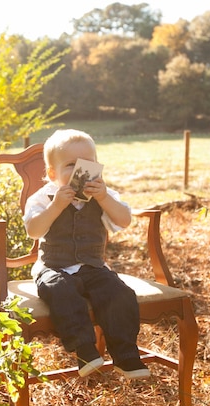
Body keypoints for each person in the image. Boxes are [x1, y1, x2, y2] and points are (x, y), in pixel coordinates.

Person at [23, 129, 150, 379]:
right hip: (54, 267)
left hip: (92, 267)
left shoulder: (102, 194)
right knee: (62, 291)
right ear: (52, 173)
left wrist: (103, 198)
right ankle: (85, 351)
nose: (81, 170)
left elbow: (124, 220)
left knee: (119, 293)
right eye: (71, 165)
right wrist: (56, 206)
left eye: (88, 164)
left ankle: (125, 355)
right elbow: (33, 230)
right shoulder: (42, 198)